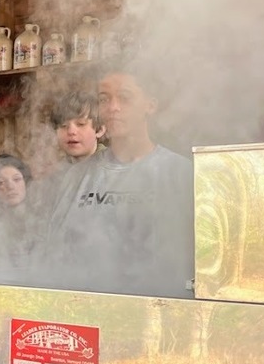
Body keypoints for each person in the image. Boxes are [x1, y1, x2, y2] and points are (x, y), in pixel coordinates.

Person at [41, 66, 193, 298]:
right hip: (84, 311)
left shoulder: (180, 173)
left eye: (125, 98)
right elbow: (53, 252)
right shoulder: (77, 177)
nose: (113, 108)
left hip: (159, 313)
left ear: (150, 105)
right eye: (104, 99)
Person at [50, 90, 106, 164]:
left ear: (100, 130)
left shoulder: (113, 169)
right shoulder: (55, 170)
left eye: (80, 124)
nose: (71, 131)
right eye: (63, 125)